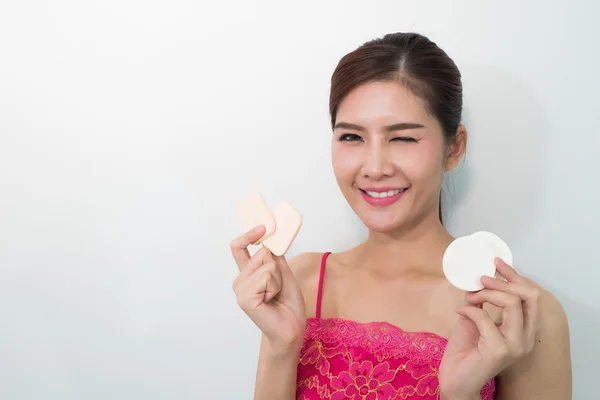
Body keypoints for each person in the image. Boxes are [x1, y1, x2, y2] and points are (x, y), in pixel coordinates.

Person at [229, 32, 572, 400]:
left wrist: (460, 394)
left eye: (403, 139)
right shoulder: (299, 282)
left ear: (454, 148)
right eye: (351, 137)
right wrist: (283, 348)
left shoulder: (519, 314)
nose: (374, 168)